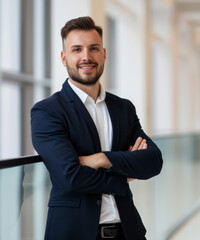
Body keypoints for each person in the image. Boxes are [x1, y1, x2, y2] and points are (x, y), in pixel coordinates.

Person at [31, 16, 163, 240]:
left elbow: (153, 161)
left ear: (104, 54)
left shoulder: (123, 108)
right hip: (74, 233)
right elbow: (69, 176)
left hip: (127, 232)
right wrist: (123, 176)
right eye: (77, 49)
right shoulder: (47, 111)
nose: (86, 57)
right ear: (64, 58)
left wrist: (102, 158)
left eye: (93, 48)